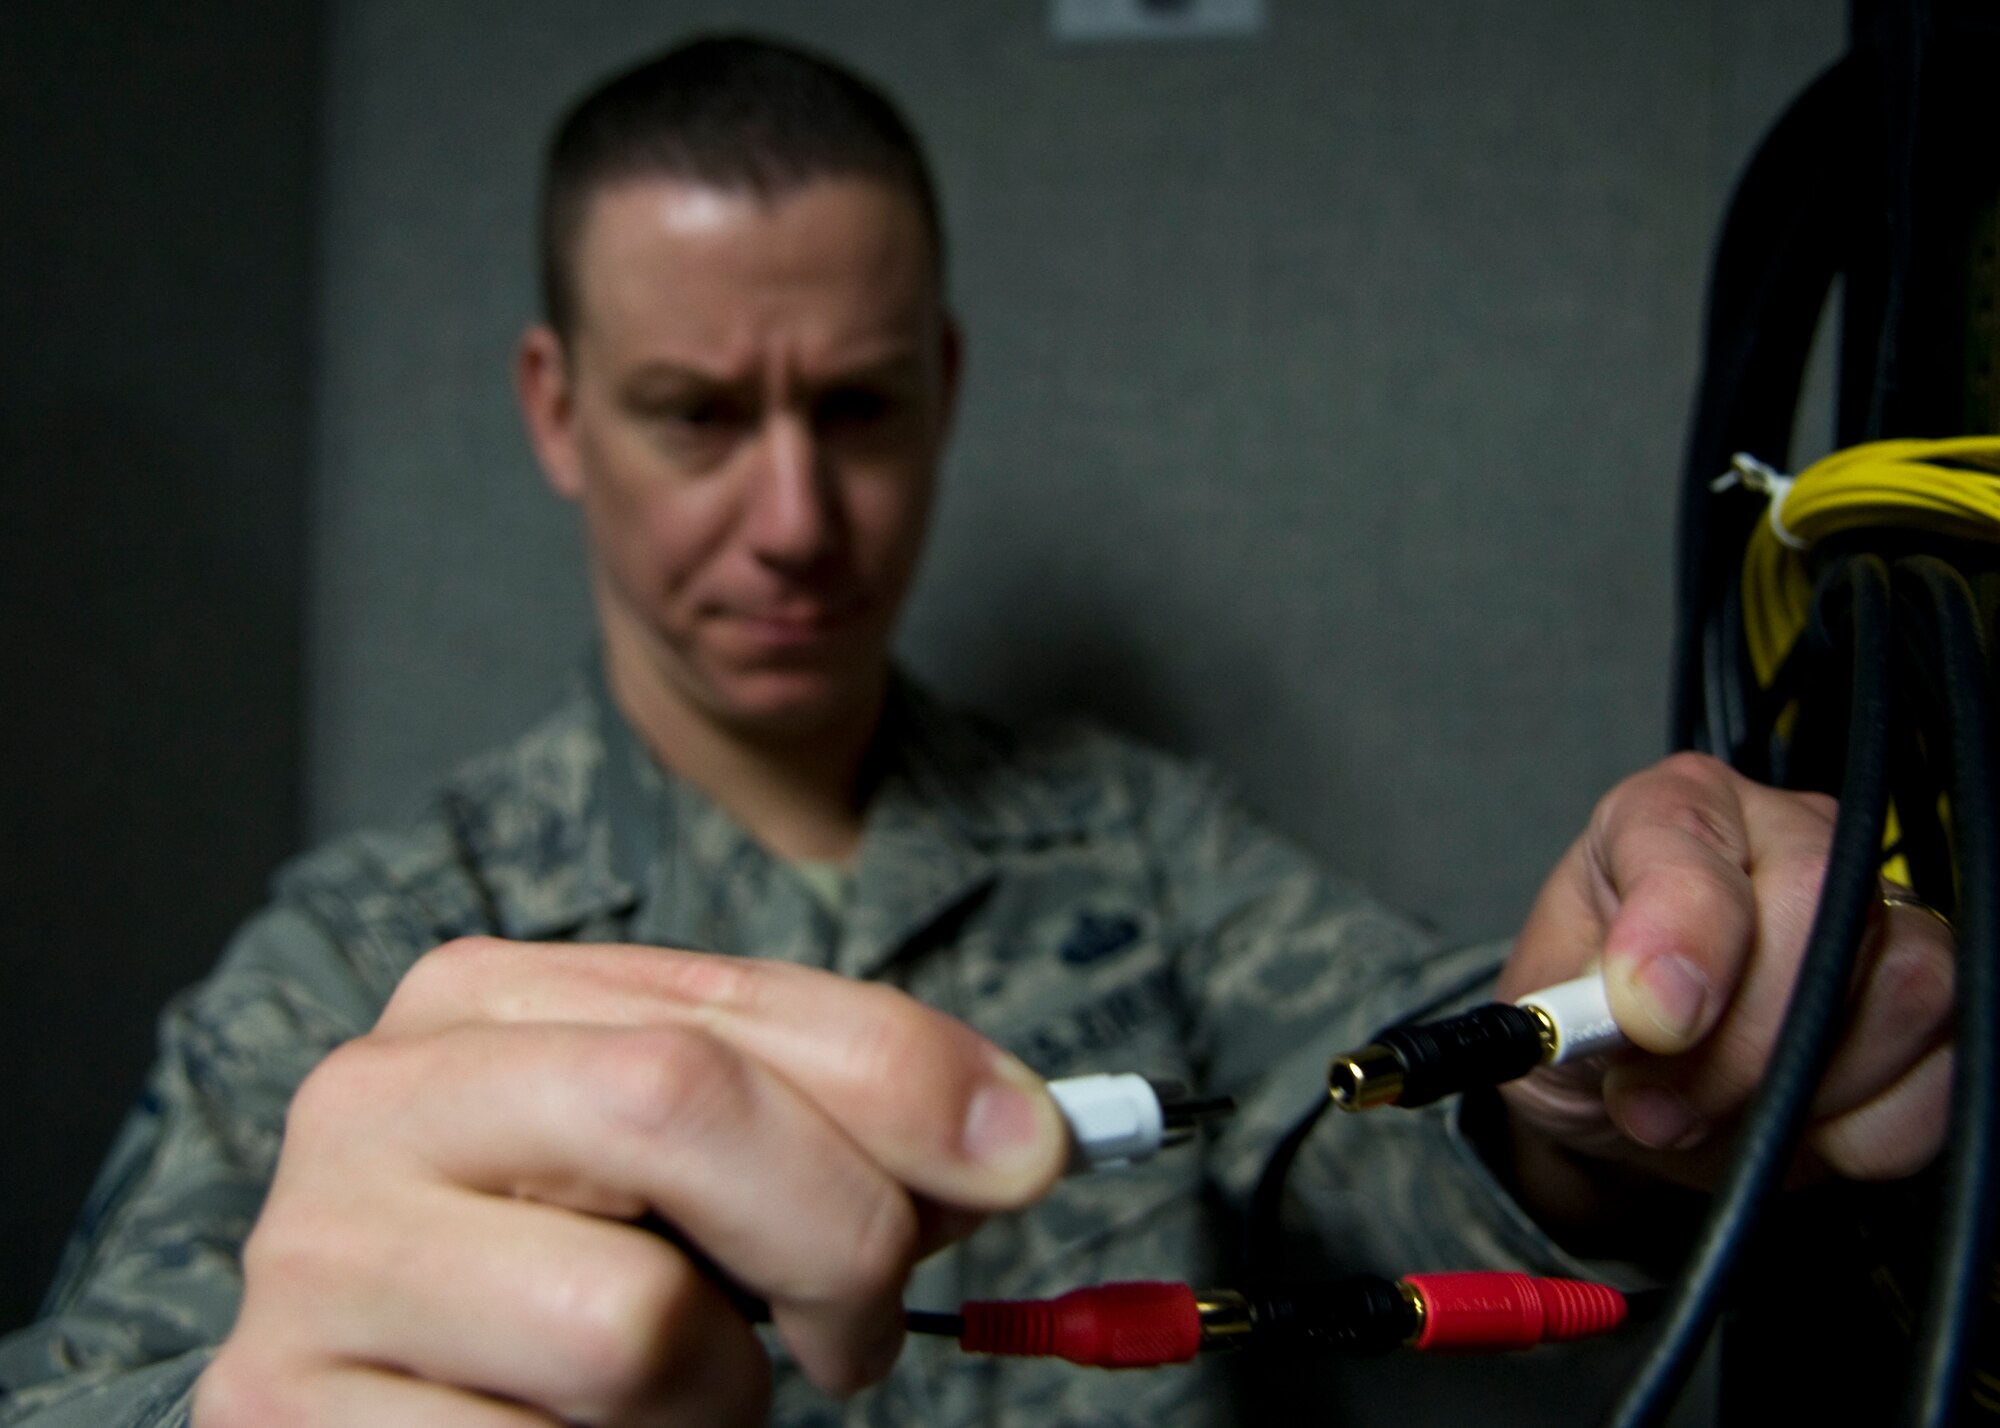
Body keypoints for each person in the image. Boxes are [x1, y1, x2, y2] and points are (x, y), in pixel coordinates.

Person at [0, 33, 1954, 1428]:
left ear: (938, 387)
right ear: (553, 406)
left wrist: (1605, 1067)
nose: (791, 519)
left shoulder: (1143, 854)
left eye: (853, 409)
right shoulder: (365, 960)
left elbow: (1410, 1115)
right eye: (695, 414)